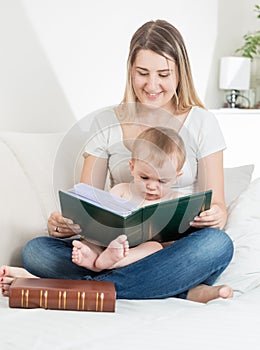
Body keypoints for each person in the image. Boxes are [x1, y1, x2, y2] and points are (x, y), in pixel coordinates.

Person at [0, 19, 234, 303]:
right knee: (37, 251)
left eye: (163, 74)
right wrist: (68, 223)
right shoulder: (107, 122)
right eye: (143, 73)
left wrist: (215, 215)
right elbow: (87, 201)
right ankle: (181, 289)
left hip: (172, 250)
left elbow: (217, 206)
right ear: (130, 72)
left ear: (180, 73)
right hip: (114, 247)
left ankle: (65, 290)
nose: (152, 85)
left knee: (216, 245)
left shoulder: (201, 122)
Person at [71, 126, 186, 271]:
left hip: (144, 254)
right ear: (132, 167)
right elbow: (102, 218)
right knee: (93, 242)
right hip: (112, 242)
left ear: (176, 177)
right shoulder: (121, 190)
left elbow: (178, 239)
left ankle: (111, 263)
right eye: (144, 177)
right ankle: (91, 256)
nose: (151, 186)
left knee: (154, 246)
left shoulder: (177, 200)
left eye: (162, 181)